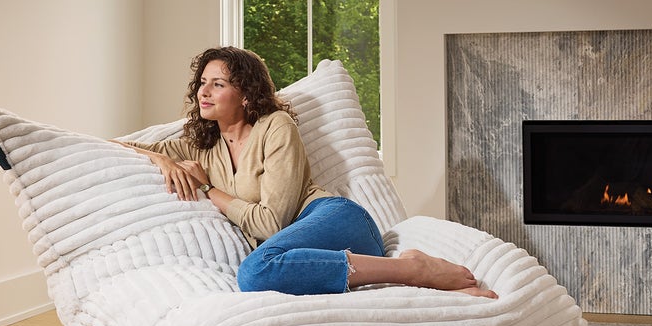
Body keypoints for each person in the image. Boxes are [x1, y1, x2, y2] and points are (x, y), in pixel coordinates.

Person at [117, 46, 497, 298]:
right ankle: (413, 276)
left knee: (254, 274)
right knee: (261, 272)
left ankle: (411, 269)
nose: (204, 91)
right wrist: (166, 161)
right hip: (311, 255)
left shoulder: (275, 126)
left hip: (337, 221)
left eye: (218, 84)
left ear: (246, 94)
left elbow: (270, 225)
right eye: (202, 83)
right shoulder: (198, 145)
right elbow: (116, 147)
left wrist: (205, 189)